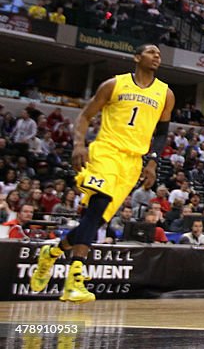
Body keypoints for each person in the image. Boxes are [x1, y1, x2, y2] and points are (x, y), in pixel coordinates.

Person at [29, 44, 174, 303]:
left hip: (133, 162)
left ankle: (51, 254)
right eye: (151, 52)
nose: (157, 56)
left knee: (97, 221)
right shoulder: (113, 84)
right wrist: (78, 145)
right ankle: (74, 280)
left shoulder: (165, 93)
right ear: (137, 57)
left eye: (159, 54)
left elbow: (162, 133)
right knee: (96, 206)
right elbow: (85, 116)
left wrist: (152, 162)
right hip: (106, 151)